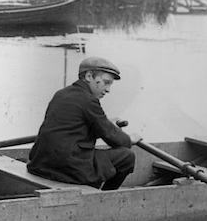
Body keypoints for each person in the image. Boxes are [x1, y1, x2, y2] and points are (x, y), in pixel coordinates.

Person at [27, 55, 141, 190]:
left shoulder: (61, 94)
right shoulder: (89, 100)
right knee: (127, 157)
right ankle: (106, 197)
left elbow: (76, 128)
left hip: (40, 165)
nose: (108, 89)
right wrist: (129, 139)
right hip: (66, 170)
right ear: (88, 76)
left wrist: (108, 123)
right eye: (106, 82)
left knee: (96, 157)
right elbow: (113, 138)